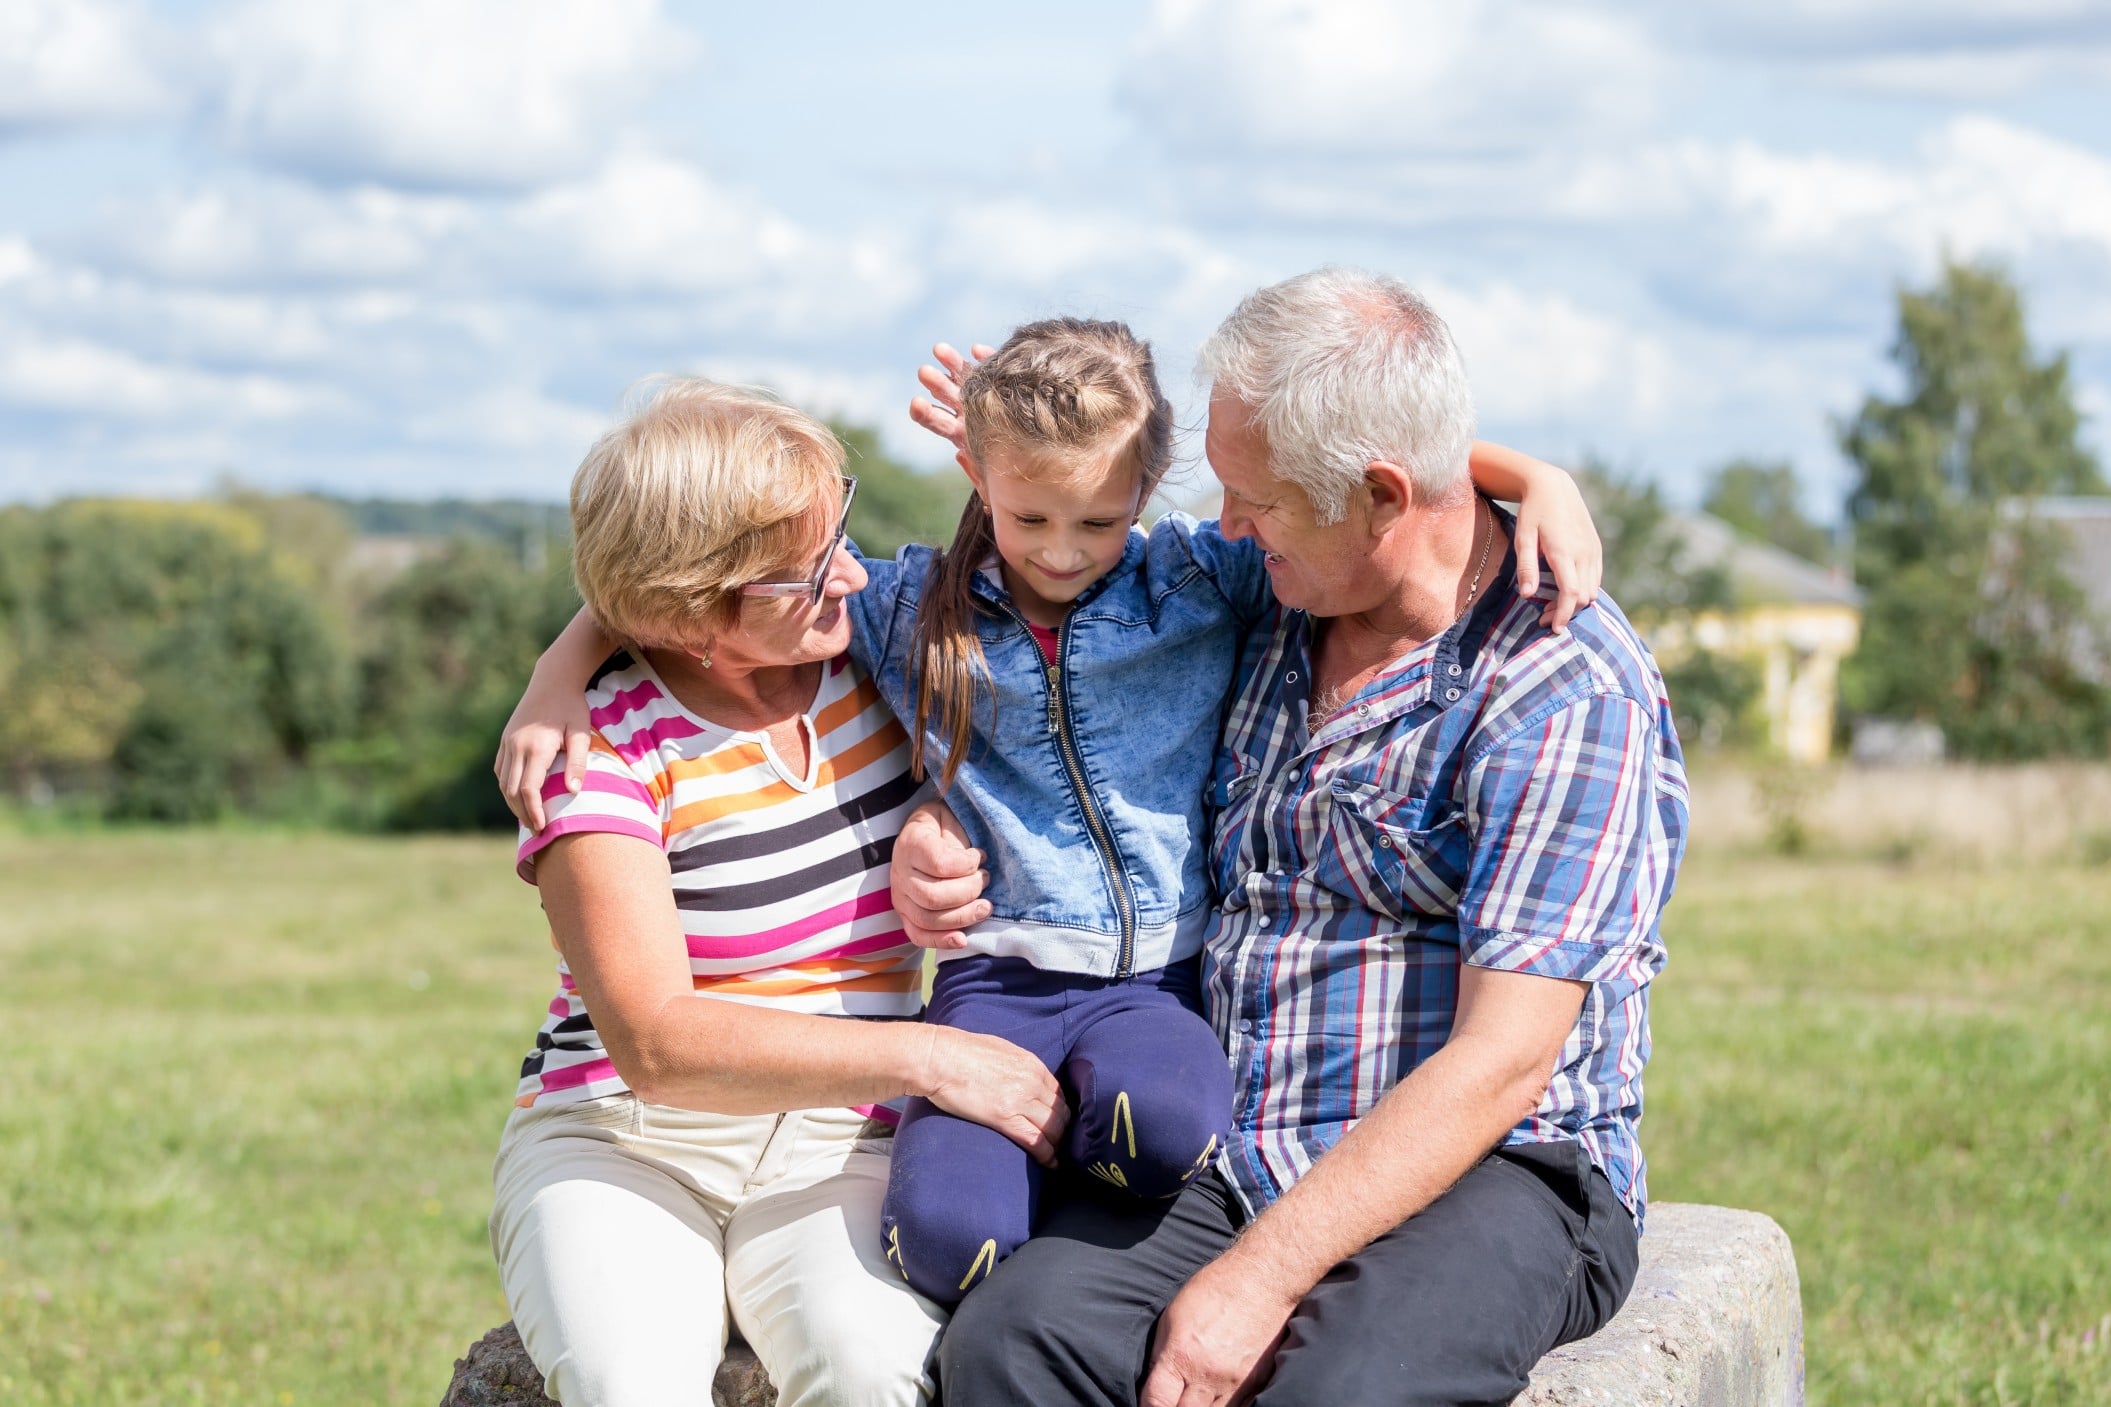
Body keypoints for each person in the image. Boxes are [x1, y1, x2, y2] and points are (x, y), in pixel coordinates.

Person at [500, 319, 1601, 1314]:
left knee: (1162, 1130)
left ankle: (1072, 1227)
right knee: (945, 1242)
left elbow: (1358, 497)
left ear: (1149, 485)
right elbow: (701, 576)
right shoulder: (897, 611)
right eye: (1028, 515)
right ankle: (1012, 1240)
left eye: (1100, 519)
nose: (1064, 550)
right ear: (972, 471)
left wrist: (1522, 474)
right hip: (996, 980)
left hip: (1159, 976)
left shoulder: (1201, 585)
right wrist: (564, 663)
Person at [890, 269, 1688, 1407]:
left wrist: (1258, 1278)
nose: (1221, 526)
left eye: (1251, 500)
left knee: (1338, 1392)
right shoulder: (1269, 595)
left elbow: (1502, 1062)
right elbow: (1035, 682)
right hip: (1244, 1137)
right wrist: (937, 816)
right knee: (1014, 1340)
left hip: (1495, 1167)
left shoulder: (1559, 686)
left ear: (1376, 497)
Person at [485, 378, 1074, 1407]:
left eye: (836, 534)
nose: (848, 574)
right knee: (630, 1386)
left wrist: (938, 814)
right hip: (627, 1140)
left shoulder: (877, 658)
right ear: (686, 610)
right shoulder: (596, 748)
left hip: (839, 1138)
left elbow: (1083, 569)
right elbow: (657, 1045)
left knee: (872, 1371)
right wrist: (930, 1056)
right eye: (800, 575)